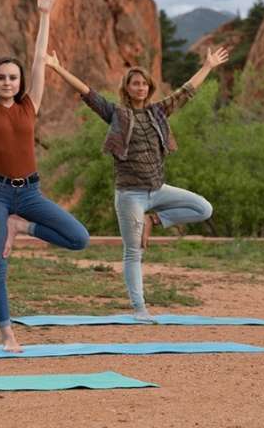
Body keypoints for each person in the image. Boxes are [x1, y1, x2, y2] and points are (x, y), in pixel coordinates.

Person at [46, 47, 228, 322]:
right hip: (131, 195)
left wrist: (208, 66)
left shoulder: (158, 112)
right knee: (133, 252)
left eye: (144, 84)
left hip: (158, 191)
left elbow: (186, 91)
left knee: (203, 208)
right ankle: (140, 309)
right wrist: (57, 68)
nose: (140, 88)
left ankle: (154, 219)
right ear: (127, 88)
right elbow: (88, 93)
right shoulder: (117, 114)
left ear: (149, 88)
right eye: (135, 83)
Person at [0, 0, 89, 352]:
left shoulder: (29, 104)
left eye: (12, 78)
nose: (7, 81)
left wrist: (45, 16)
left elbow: (39, 60)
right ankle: (7, 334)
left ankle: (23, 227)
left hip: (30, 194)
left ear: (20, 83)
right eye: (1, 77)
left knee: (79, 238)